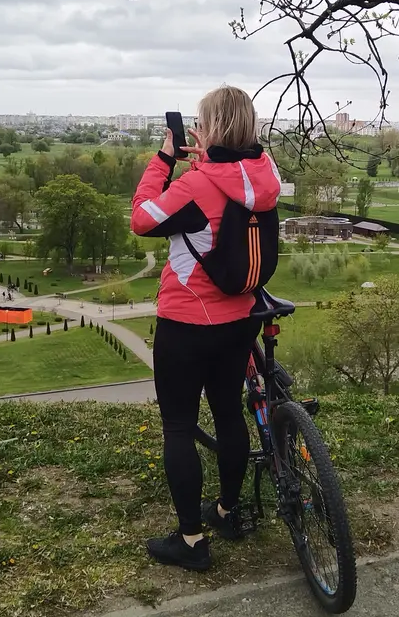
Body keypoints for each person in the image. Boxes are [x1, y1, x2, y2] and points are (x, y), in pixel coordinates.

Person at [130, 85, 281, 572]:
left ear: (209, 127)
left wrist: (163, 160)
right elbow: (228, 187)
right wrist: (204, 162)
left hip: (187, 321)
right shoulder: (266, 173)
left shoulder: (195, 184)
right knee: (229, 415)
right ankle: (225, 510)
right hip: (239, 319)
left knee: (178, 425)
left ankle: (192, 543)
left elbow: (142, 218)